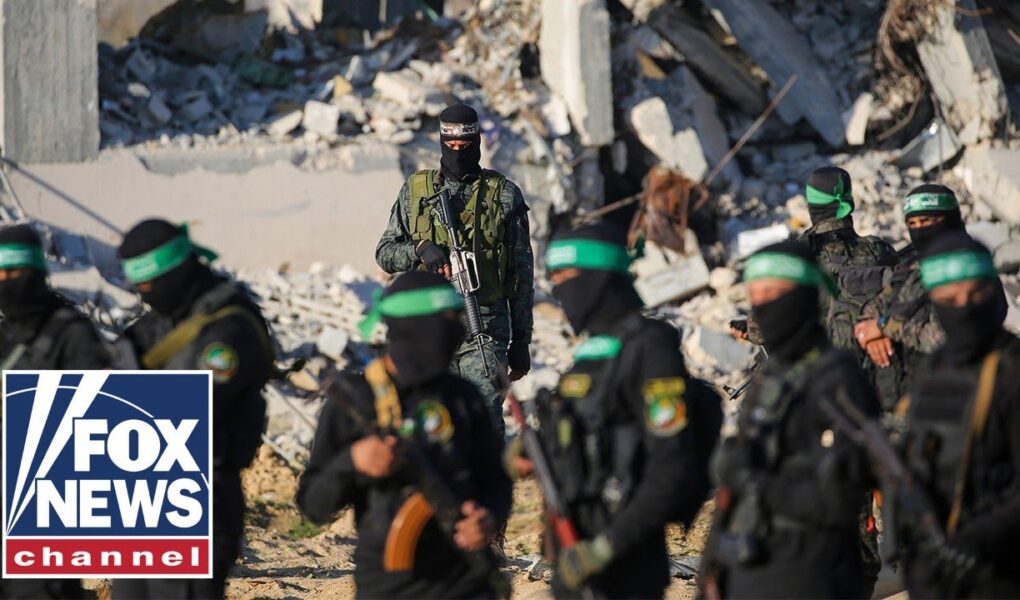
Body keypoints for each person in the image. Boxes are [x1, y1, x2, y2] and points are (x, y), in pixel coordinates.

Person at [508, 223, 721, 598]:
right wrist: (531, 449)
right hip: (573, 559)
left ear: (599, 277)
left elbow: (670, 466)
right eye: (553, 279)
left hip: (627, 564)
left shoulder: (649, 348)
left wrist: (607, 546)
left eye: (566, 277)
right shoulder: (588, 357)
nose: (559, 290)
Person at [298, 271, 512, 599]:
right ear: (413, 326)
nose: (457, 333)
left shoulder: (463, 397)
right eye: (447, 321)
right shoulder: (356, 399)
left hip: (467, 580)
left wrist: (489, 516)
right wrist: (353, 462)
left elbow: (496, 481)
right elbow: (313, 506)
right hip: (391, 585)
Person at [705, 240, 879, 599]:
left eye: (774, 293)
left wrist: (760, 482)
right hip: (755, 567)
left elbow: (844, 494)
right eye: (756, 295)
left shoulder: (837, 378)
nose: (763, 305)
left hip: (812, 573)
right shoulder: (770, 376)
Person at [113, 219, 272, 599]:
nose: (145, 295)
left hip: (197, 499)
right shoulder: (156, 325)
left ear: (175, 271)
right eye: (138, 287)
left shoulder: (230, 326)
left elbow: (193, 408)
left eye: (149, 285)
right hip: (138, 497)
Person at [375, 103, 534, 431]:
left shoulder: (504, 195)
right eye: (451, 145)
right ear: (441, 143)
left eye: (465, 145)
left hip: (485, 327)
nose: (458, 152)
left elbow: (521, 273)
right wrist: (420, 249)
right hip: (428, 327)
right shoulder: (415, 192)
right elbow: (385, 254)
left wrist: (521, 340)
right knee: (431, 419)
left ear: (477, 143)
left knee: (483, 419)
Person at [896, 232, 1020, 598]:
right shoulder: (933, 370)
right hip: (939, 575)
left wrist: (977, 539)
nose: (964, 308)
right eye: (949, 300)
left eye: (976, 295)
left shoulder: (1011, 370)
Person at [0, 223, 108, 600]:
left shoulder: (71, 333)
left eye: (14, 272)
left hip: (45, 500)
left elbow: (98, 417)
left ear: (35, 271)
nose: (6, 282)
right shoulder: (5, 334)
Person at [733, 166, 897, 355]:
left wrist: (748, 327)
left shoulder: (799, 258)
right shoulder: (879, 250)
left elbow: (763, 329)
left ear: (811, 205)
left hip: (824, 363)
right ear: (849, 200)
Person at [855, 184, 962, 410]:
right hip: (898, 396)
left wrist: (885, 327)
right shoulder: (910, 264)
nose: (919, 230)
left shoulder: (966, 271)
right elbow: (877, 304)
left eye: (927, 221)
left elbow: (946, 337)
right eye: (912, 224)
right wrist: (872, 336)